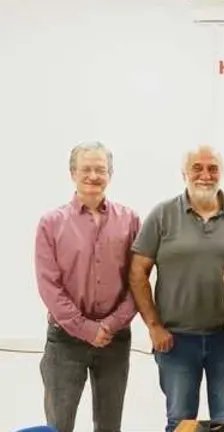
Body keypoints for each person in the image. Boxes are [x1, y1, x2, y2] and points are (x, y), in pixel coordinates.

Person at [129, 145, 224, 432]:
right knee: (180, 423)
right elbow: (138, 272)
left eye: (212, 168)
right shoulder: (162, 214)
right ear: (184, 173)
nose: (205, 175)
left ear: (221, 173)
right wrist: (154, 326)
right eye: (197, 168)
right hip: (176, 340)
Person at [34, 142, 140, 432]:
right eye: (86, 169)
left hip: (114, 339)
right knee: (59, 425)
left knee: (109, 426)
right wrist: (85, 328)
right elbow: (49, 285)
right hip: (65, 341)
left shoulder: (130, 220)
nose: (93, 175)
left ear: (111, 174)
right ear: (72, 173)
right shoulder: (50, 223)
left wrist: (110, 324)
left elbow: (138, 281)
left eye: (100, 169)